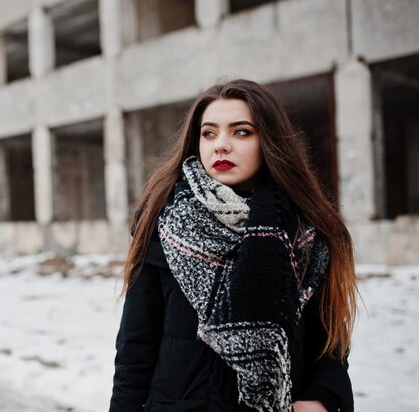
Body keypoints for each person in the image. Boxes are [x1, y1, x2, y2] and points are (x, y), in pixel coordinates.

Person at [109, 79, 357, 412]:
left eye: (241, 132)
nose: (220, 146)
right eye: (209, 133)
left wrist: (321, 399)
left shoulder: (304, 233)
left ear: (269, 140)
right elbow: (134, 353)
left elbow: (327, 346)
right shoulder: (165, 224)